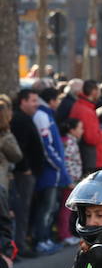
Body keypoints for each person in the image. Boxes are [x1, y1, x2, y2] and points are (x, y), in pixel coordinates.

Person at [32, 87, 70, 254]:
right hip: (49, 172)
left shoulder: (46, 114)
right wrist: (59, 165)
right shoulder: (42, 116)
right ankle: (41, 240)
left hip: (53, 172)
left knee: (49, 208)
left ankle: (46, 238)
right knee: (45, 208)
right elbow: (46, 145)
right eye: (57, 100)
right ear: (52, 100)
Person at [10, 89, 42, 258]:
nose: (36, 104)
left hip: (29, 173)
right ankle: (19, 247)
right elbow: (18, 149)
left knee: (25, 210)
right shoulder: (20, 120)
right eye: (33, 100)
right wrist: (24, 168)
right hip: (24, 175)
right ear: (23, 101)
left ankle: (21, 244)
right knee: (21, 211)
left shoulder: (24, 118)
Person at [68, 79, 102, 173]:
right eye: (98, 90)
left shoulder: (82, 106)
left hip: (90, 157)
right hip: (91, 159)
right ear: (94, 91)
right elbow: (92, 138)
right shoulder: (85, 110)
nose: (100, 93)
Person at [58, 118, 83, 246]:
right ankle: (64, 234)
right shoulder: (69, 143)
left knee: (67, 208)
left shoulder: (70, 141)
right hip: (70, 181)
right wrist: (69, 180)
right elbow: (66, 163)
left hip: (72, 180)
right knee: (66, 208)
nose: (82, 131)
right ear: (72, 130)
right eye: (80, 128)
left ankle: (66, 232)